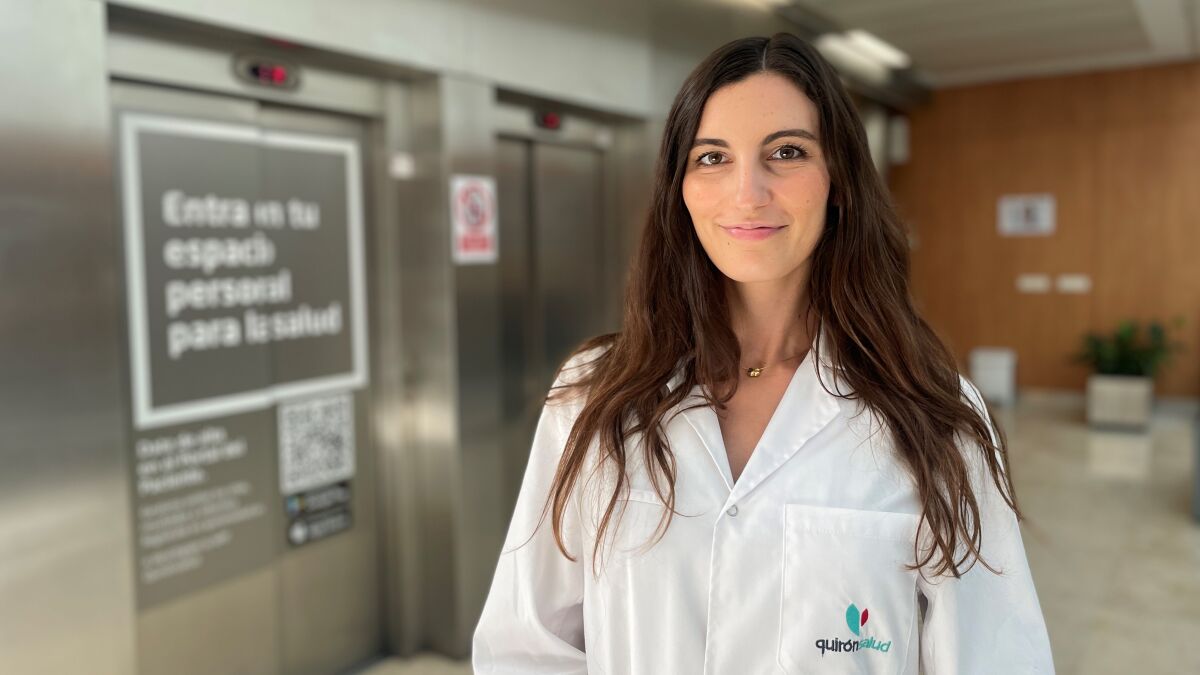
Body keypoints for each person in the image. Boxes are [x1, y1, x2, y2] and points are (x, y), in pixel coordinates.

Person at [472, 32, 1054, 674]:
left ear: (839, 181)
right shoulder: (593, 392)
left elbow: (996, 658)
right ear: (680, 189)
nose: (747, 193)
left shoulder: (933, 415)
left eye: (786, 152)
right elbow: (526, 647)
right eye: (712, 157)